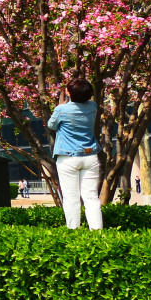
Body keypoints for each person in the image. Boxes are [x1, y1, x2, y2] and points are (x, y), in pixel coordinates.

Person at [47, 77, 103, 230]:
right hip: (90, 156)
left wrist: (60, 105)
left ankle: (74, 232)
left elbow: (51, 125)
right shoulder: (93, 106)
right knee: (91, 197)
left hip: (68, 158)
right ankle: (97, 232)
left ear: (70, 94)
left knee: (71, 198)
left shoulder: (62, 110)